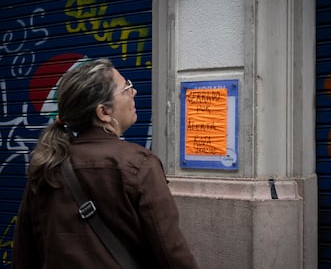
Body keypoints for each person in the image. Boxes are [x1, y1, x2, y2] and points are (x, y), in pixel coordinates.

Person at [12, 58, 199, 269]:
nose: (134, 92)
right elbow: (171, 252)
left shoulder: (47, 164)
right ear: (104, 112)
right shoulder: (139, 165)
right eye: (126, 87)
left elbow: (24, 255)